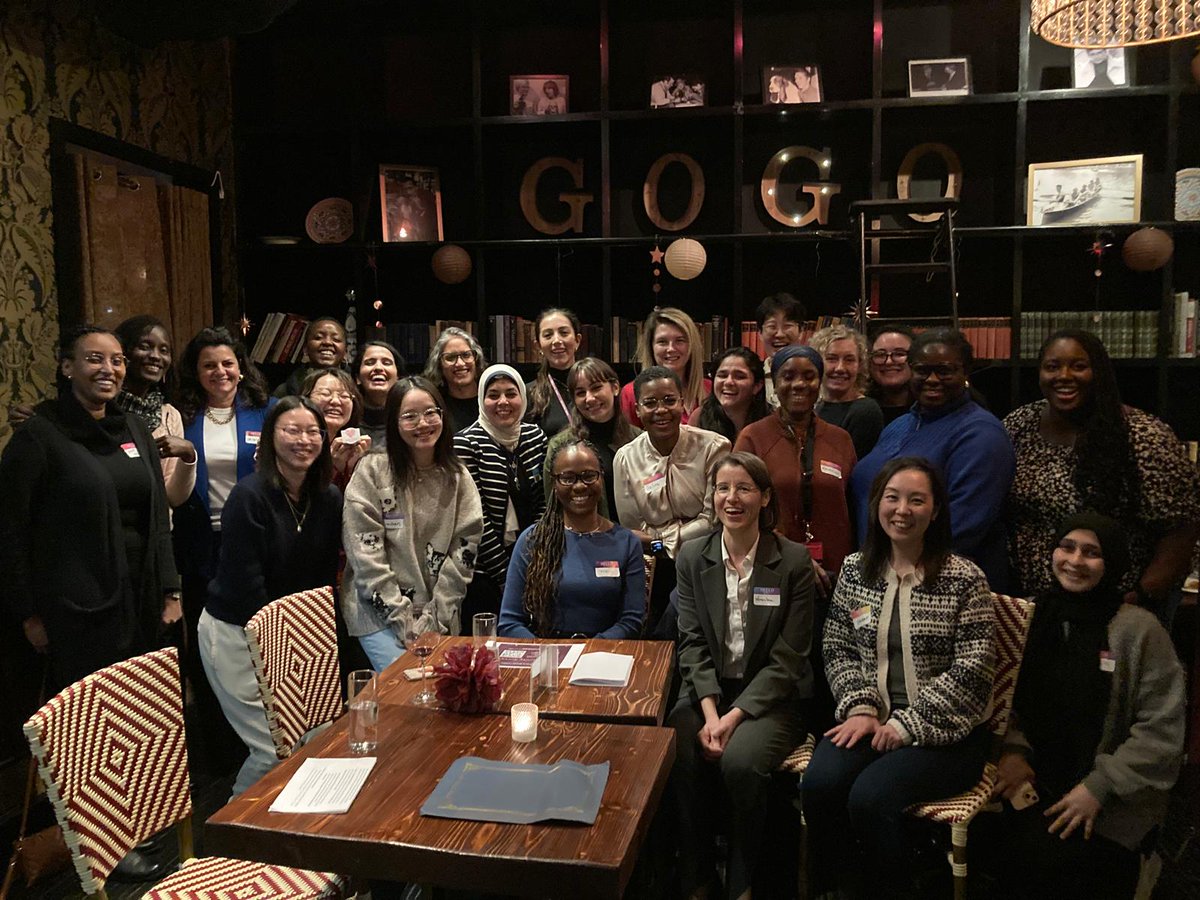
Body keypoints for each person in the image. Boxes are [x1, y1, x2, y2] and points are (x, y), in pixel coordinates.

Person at [802, 457, 996, 897]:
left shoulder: (964, 579)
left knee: (870, 798)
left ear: (936, 510)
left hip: (947, 735)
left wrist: (904, 725)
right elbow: (838, 645)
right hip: (872, 720)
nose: (901, 510)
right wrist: (862, 706)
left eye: (916, 500)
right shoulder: (856, 570)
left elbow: (973, 669)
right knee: (819, 784)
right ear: (877, 505)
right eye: (892, 498)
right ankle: (836, 887)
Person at [987, 512, 1184, 900]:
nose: (1075, 561)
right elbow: (1000, 697)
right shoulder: (1028, 615)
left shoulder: (1140, 631)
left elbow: (1161, 730)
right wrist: (1011, 749)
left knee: (1065, 868)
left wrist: (1098, 786)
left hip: (1110, 795)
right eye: (1067, 547)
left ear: (1112, 564)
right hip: (1032, 780)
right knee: (1006, 858)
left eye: (1091, 553)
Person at [0, 324, 182, 687]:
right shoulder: (39, 435)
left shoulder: (133, 427)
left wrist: (170, 590)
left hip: (142, 603)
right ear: (68, 367)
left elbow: (158, 516)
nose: (108, 369)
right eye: (94, 359)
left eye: (117, 361)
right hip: (74, 612)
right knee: (89, 727)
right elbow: (10, 531)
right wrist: (28, 615)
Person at [669, 452, 815, 900]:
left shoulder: (792, 561)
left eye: (744, 488)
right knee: (678, 748)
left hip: (773, 696)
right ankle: (696, 878)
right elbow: (691, 643)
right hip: (709, 691)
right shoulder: (693, 556)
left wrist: (732, 719)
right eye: (722, 489)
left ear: (765, 497)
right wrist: (712, 713)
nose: (732, 498)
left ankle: (743, 879)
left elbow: (789, 658)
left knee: (739, 762)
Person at [198, 396, 342, 797]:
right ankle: (234, 831)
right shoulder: (249, 496)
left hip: (292, 634)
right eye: (291, 430)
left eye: (313, 431)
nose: (304, 440)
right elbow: (247, 591)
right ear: (270, 438)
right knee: (273, 747)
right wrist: (281, 660)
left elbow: (321, 584)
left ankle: (288, 828)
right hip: (236, 634)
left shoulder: (328, 498)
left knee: (317, 734)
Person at [1004, 330, 1200, 612]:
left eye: (1079, 366)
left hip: (1119, 607)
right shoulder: (1020, 425)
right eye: (1052, 366)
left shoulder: (1143, 436)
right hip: (1037, 606)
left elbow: (1183, 528)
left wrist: (1142, 595)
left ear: (1100, 372)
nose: (1064, 375)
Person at [173, 326, 276, 771]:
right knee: (207, 646)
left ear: (241, 367)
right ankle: (221, 751)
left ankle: (267, 740)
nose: (220, 372)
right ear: (196, 373)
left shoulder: (264, 411)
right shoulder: (180, 417)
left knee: (258, 641)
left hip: (253, 541)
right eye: (209, 365)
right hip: (200, 545)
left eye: (227, 363)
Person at [850, 328, 1014, 590]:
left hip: (939, 586)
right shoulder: (901, 424)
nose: (933, 379)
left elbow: (962, 529)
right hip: (880, 576)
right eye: (923, 370)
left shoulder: (982, 433)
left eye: (945, 370)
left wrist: (897, 571)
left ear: (965, 372)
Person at [342, 376, 483, 671]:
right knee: (408, 687)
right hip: (377, 613)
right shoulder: (372, 470)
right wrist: (404, 621)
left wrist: (435, 620)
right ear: (394, 421)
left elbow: (463, 557)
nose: (423, 423)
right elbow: (365, 556)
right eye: (410, 416)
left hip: (439, 616)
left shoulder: (458, 476)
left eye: (431, 412)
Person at [614, 367, 731, 630]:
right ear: (638, 409)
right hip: (652, 568)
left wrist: (658, 540)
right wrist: (657, 542)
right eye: (650, 403)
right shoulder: (625, 457)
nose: (661, 410)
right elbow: (633, 527)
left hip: (706, 560)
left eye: (669, 400)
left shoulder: (715, 447)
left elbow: (714, 520)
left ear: (682, 403)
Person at [499, 439, 644, 639]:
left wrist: (590, 650)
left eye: (588, 476)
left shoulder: (627, 543)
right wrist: (548, 655)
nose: (579, 486)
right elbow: (510, 622)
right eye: (567, 478)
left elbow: (631, 620)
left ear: (601, 477)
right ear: (554, 484)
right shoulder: (532, 540)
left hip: (604, 657)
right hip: (545, 657)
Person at [734, 345, 856, 582]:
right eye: (788, 377)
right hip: (774, 567)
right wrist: (796, 558)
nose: (799, 384)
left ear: (819, 383)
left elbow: (852, 505)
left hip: (836, 572)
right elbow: (740, 510)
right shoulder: (753, 438)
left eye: (809, 377)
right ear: (775, 384)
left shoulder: (840, 439)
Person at [454, 365, 547, 629]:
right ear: (482, 400)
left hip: (533, 564)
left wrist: (533, 561)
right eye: (493, 395)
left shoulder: (534, 436)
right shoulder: (466, 442)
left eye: (510, 393)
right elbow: (476, 517)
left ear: (522, 398)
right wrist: (508, 576)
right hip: (483, 572)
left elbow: (543, 501)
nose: (503, 402)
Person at [542, 356, 640, 518]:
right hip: (585, 540)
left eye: (596, 388)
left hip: (638, 538)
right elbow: (554, 510)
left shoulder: (639, 440)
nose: (589, 398)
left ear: (615, 387)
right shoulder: (560, 447)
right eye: (581, 393)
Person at [619, 307, 710, 427]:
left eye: (680, 340)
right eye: (662, 342)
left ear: (692, 346)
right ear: (651, 347)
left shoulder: (710, 390)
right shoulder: (631, 393)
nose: (671, 349)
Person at [811, 324, 884, 459]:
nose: (840, 368)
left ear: (860, 365)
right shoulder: (815, 407)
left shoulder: (865, 411)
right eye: (832, 358)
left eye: (849, 360)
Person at [302, 366, 370, 487]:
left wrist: (356, 469)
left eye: (344, 396)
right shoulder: (295, 443)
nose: (335, 401)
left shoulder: (357, 447)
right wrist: (332, 468)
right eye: (325, 394)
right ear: (305, 398)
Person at [525, 307, 581, 438]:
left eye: (564, 333)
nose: (557, 341)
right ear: (538, 346)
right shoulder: (529, 394)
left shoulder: (594, 388)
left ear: (577, 340)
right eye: (548, 335)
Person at [694, 347, 768, 443]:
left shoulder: (771, 424)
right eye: (722, 375)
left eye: (739, 377)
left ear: (757, 386)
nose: (728, 382)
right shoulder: (699, 416)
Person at [423, 326, 487, 434]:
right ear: (439, 365)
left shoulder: (493, 400)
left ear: (476, 359)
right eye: (450, 358)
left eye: (466, 355)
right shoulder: (435, 407)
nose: (460, 364)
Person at [273, 317, 348, 397]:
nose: (327, 342)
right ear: (305, 349)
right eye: (318, 337)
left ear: (345, 352)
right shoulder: (284, 391)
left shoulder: (357, 388)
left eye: (336, 339)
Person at [756, 292, 807, 407]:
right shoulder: (754, 378)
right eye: (772, 326)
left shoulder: (813, 377)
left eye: (787, 326)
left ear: (801, 331)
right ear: (759, 333)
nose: (779, 334)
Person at [353, 340, 403, 448]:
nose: (378, 368)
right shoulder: (346, 421)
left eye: (386, 363)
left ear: (398, 376)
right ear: (357, 377)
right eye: (370, 363)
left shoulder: (408, 421)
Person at [867, 325, 915, 426]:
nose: (888, 362)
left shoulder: (932, 409)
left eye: (899, 354)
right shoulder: (860, 410)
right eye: (880, 355)